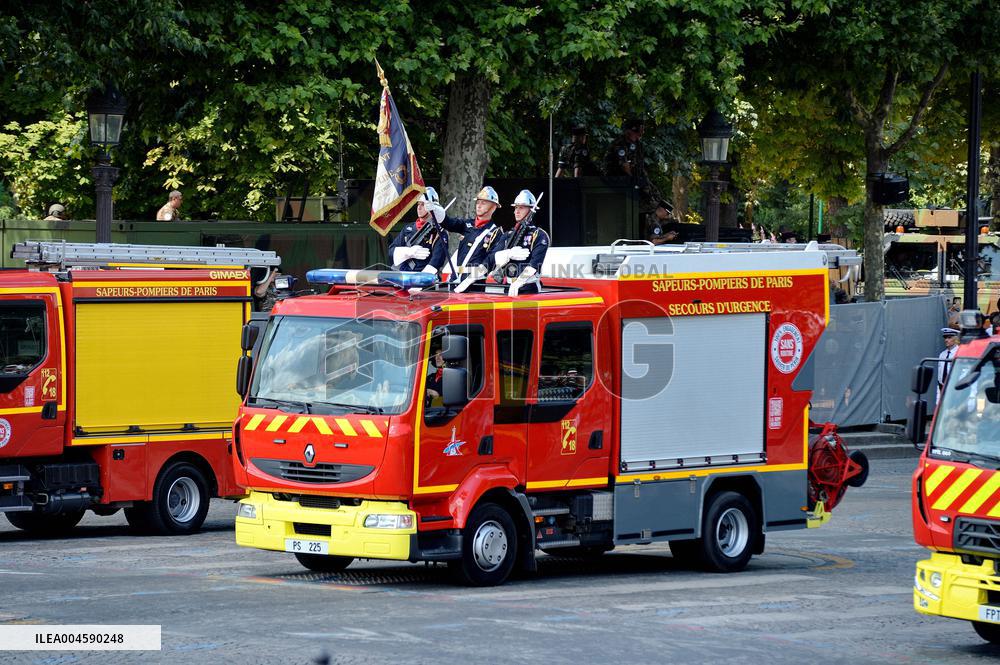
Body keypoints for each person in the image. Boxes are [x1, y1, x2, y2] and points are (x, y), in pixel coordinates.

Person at [430, 186, 504, 282]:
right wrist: (436, 210)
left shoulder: (495, 232)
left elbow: (491, 260)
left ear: (493, 207)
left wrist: (473, 278)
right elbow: (449, 223)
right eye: (478, 202)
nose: (479, 205)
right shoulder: (467, 224)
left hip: (474, 281)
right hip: (456, 277)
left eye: (483, 203)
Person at [487, 189, 549, 296]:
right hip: (508, 287)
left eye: (521, 207)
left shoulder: (538, 235)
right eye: (516, 207)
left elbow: (535, 264)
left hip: (529, 288)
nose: (517, 211)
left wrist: (520, 281)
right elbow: (492, 257)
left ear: (531, 210)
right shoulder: (508, 235)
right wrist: (504, 255)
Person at [388, 187, 448, 276]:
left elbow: (436, 261)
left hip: (425, 279)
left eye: (423, 204)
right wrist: (408, 252)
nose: (419, 208)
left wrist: (419, 279)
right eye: (418, 204)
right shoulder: (408, 228)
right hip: (404, 275)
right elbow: (391, 251)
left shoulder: (439, 232)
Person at [937, 327, 960, 401]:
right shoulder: (942, 355)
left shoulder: (959, 353)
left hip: (955, 389)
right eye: (945, 338)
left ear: (956, 339)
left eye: (949, 337)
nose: (946, 340)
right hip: (943, 388)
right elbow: (940, 375)